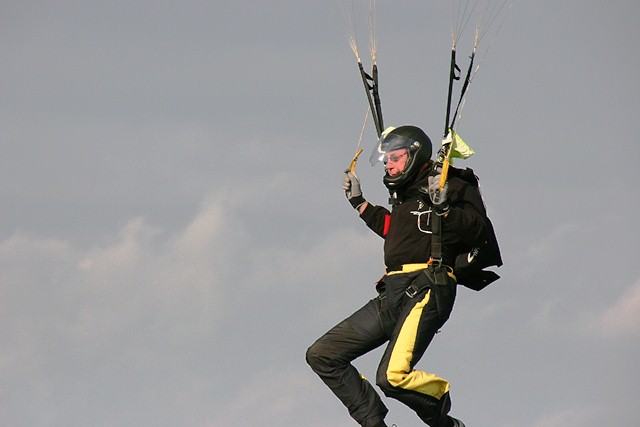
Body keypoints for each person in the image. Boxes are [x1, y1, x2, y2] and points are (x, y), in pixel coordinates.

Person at [306, 125, 490, 427]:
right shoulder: (406, 197)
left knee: (391, 377)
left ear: (414, 155)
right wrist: (359, 202)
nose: (389, 165)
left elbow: (479, 231)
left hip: (428, 288)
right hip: (393, 292)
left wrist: (445, 208)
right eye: (386, 159)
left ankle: (443, 417)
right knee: (323, 354)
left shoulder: (449, 184)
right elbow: (397, 232)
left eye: (395, 158)